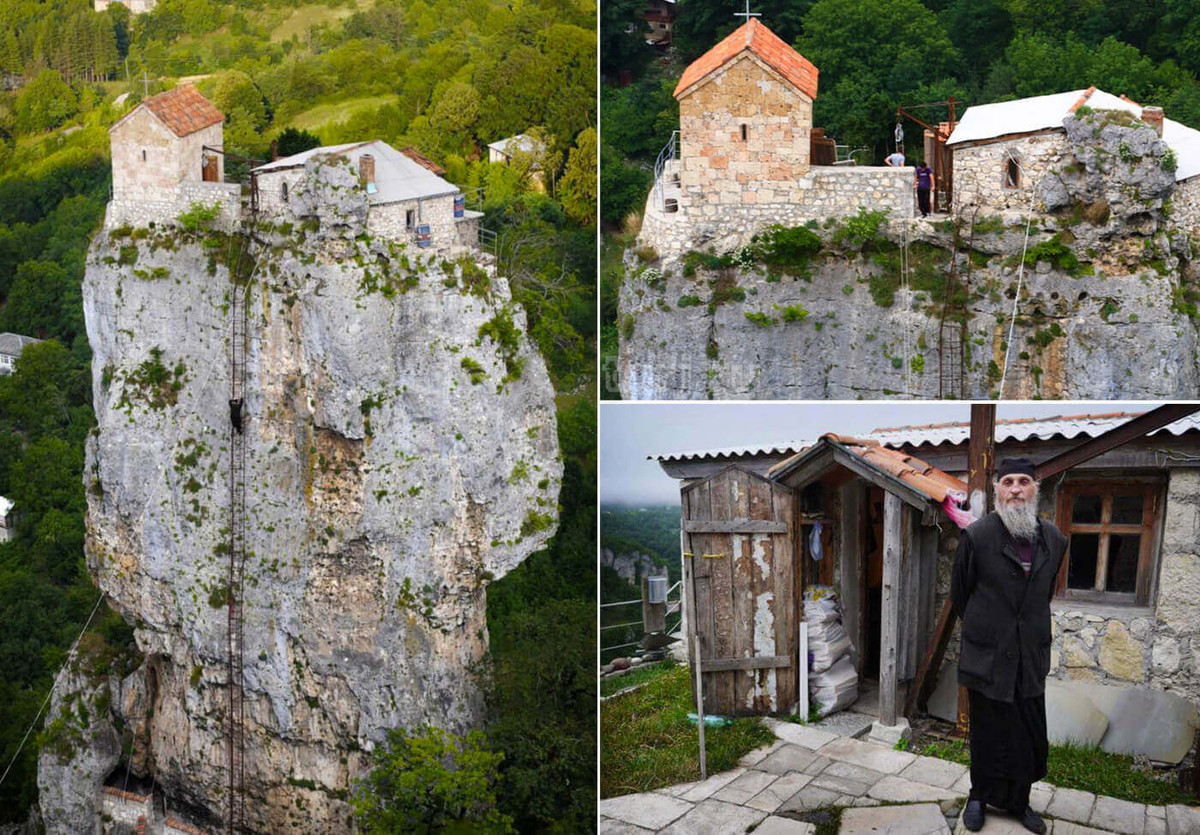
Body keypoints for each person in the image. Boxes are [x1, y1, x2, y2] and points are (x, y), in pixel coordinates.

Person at [950, 458, 1067, 834]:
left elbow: (1041, 595)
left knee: (1026, 734)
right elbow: (960, 596)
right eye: (1008, 482)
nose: (1016, 488)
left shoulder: (1054, 539)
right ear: (998, 489)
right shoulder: (977, 536)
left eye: (1024, 481)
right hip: (989, 655)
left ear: (1036, 489)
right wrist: (992, 630)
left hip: (1030, 657)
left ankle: (1019, 802)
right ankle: (978, 798)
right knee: (988, 732)